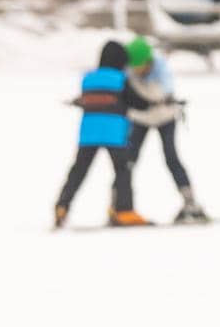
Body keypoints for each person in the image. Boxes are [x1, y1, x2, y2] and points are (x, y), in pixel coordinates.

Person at [55, 40, 153, 229]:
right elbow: (137, 102)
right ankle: (123, 210)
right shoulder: (119, 78)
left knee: (78, 171)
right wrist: (154, 103)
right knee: (122, 171)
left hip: (88, 133)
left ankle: (62, 206)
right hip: (114, 134)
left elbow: (86, 99)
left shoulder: (88, 78)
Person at [123, 35, 209, 225]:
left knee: (171, 157)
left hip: (165, 117)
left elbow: (165, 90)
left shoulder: (161, 68)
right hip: (140, 118)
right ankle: (119, 202)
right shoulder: (128, 71)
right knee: (128, 159)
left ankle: (190, 201)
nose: (138, 69)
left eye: (140, 65)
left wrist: (157, 99)